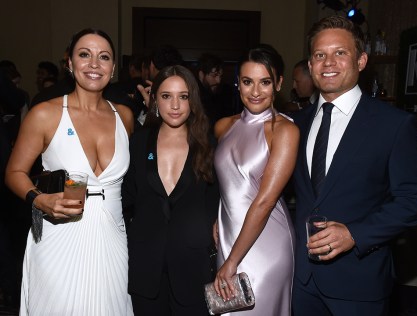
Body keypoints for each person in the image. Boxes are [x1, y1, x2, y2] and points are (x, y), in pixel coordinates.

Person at [292, 15, 417, 316]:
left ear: (362, 60)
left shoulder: (393, 125)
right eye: (319, 55)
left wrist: (356, 234)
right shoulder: (294, 124)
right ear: (310, 64)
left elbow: (416, 200)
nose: (328, 62)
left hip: (359, 284)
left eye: (340, 53)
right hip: (299, 282)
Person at [5, 28, 134, 315]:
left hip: (112, 237)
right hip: (59, 235)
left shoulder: (123, 116)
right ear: (70, 63)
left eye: (104, 57)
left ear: (113, 68)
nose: (93, 64)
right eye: (84, 55)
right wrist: (39, 200)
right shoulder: (45, 114)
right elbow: (14, 172)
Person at [122, 64, 219, 315]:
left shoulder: (208, 144)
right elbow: (124, 197)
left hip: (193, 267)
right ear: (154, 100)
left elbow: (218, 199)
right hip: (145, 264)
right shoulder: (139, 141)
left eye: (183, 96)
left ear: (193, 101)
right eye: (166, 96)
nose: (175, 105)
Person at [213, 44, 299, 315]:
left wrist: (232, 261)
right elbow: (230, 181)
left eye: (265, 82)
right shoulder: (224, 126)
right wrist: (220, 215)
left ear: (278, 84)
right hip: (229, 236)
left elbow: (264, 201)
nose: (255, 91)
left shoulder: (284, 130)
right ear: (238, 83)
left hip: (265, 245)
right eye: (248, 82)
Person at [196, 53, 240, 130]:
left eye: (220, 76)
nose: (218, 81)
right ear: (201, 75)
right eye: (214, 75)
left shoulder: (223, 92)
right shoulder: (193, 97)